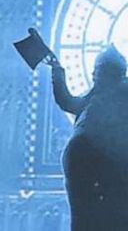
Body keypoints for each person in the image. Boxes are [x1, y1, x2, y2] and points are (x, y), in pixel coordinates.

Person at [52, 46, 128, 229]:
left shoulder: (93, 96)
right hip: (109, 156)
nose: (93, 74)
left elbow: (66, 101)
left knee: (82, 216)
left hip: (79, 152)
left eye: (98, 70)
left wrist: (57, 71)